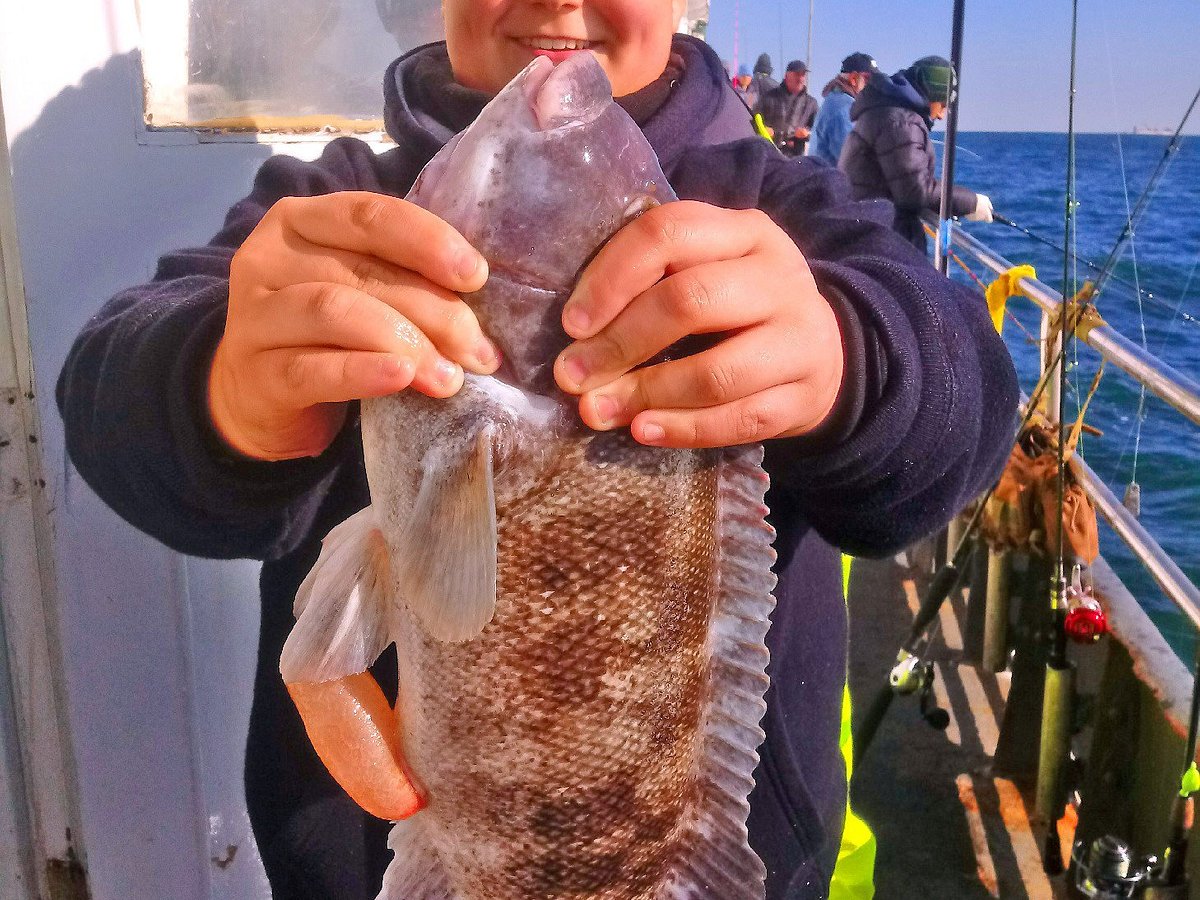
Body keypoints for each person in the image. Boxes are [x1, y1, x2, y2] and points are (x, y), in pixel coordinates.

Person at [56, 2, 1018, 898]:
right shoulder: (334, 207)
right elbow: (106, 385)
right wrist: (224, 382)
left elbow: (969, 391)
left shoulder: (783, 213)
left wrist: (853, 356)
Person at [839, 54, 994, 251]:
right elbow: (915, 192)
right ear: (930, 95)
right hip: (881, 244)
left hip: (868, 233)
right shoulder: (901, 122)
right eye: (943, 104)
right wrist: (972, 203)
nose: (941, 115)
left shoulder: (888, 112)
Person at [808, 52, 877, 167]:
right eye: (867, 79)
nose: (872, 85)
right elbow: (855, 161)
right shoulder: (843, 109)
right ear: (854, 79)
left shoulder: (837, 101)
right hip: (830, 182)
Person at [756, 59, 820, 157]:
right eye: (797, 74)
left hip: (795, 157)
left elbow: (818, 131)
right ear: (787, 75)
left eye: (803, 75)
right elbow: (753, 120)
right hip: (769, 153)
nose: (800, 78)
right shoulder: (768, 97)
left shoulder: (811, 103)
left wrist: (807, 134)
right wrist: (763, 130)